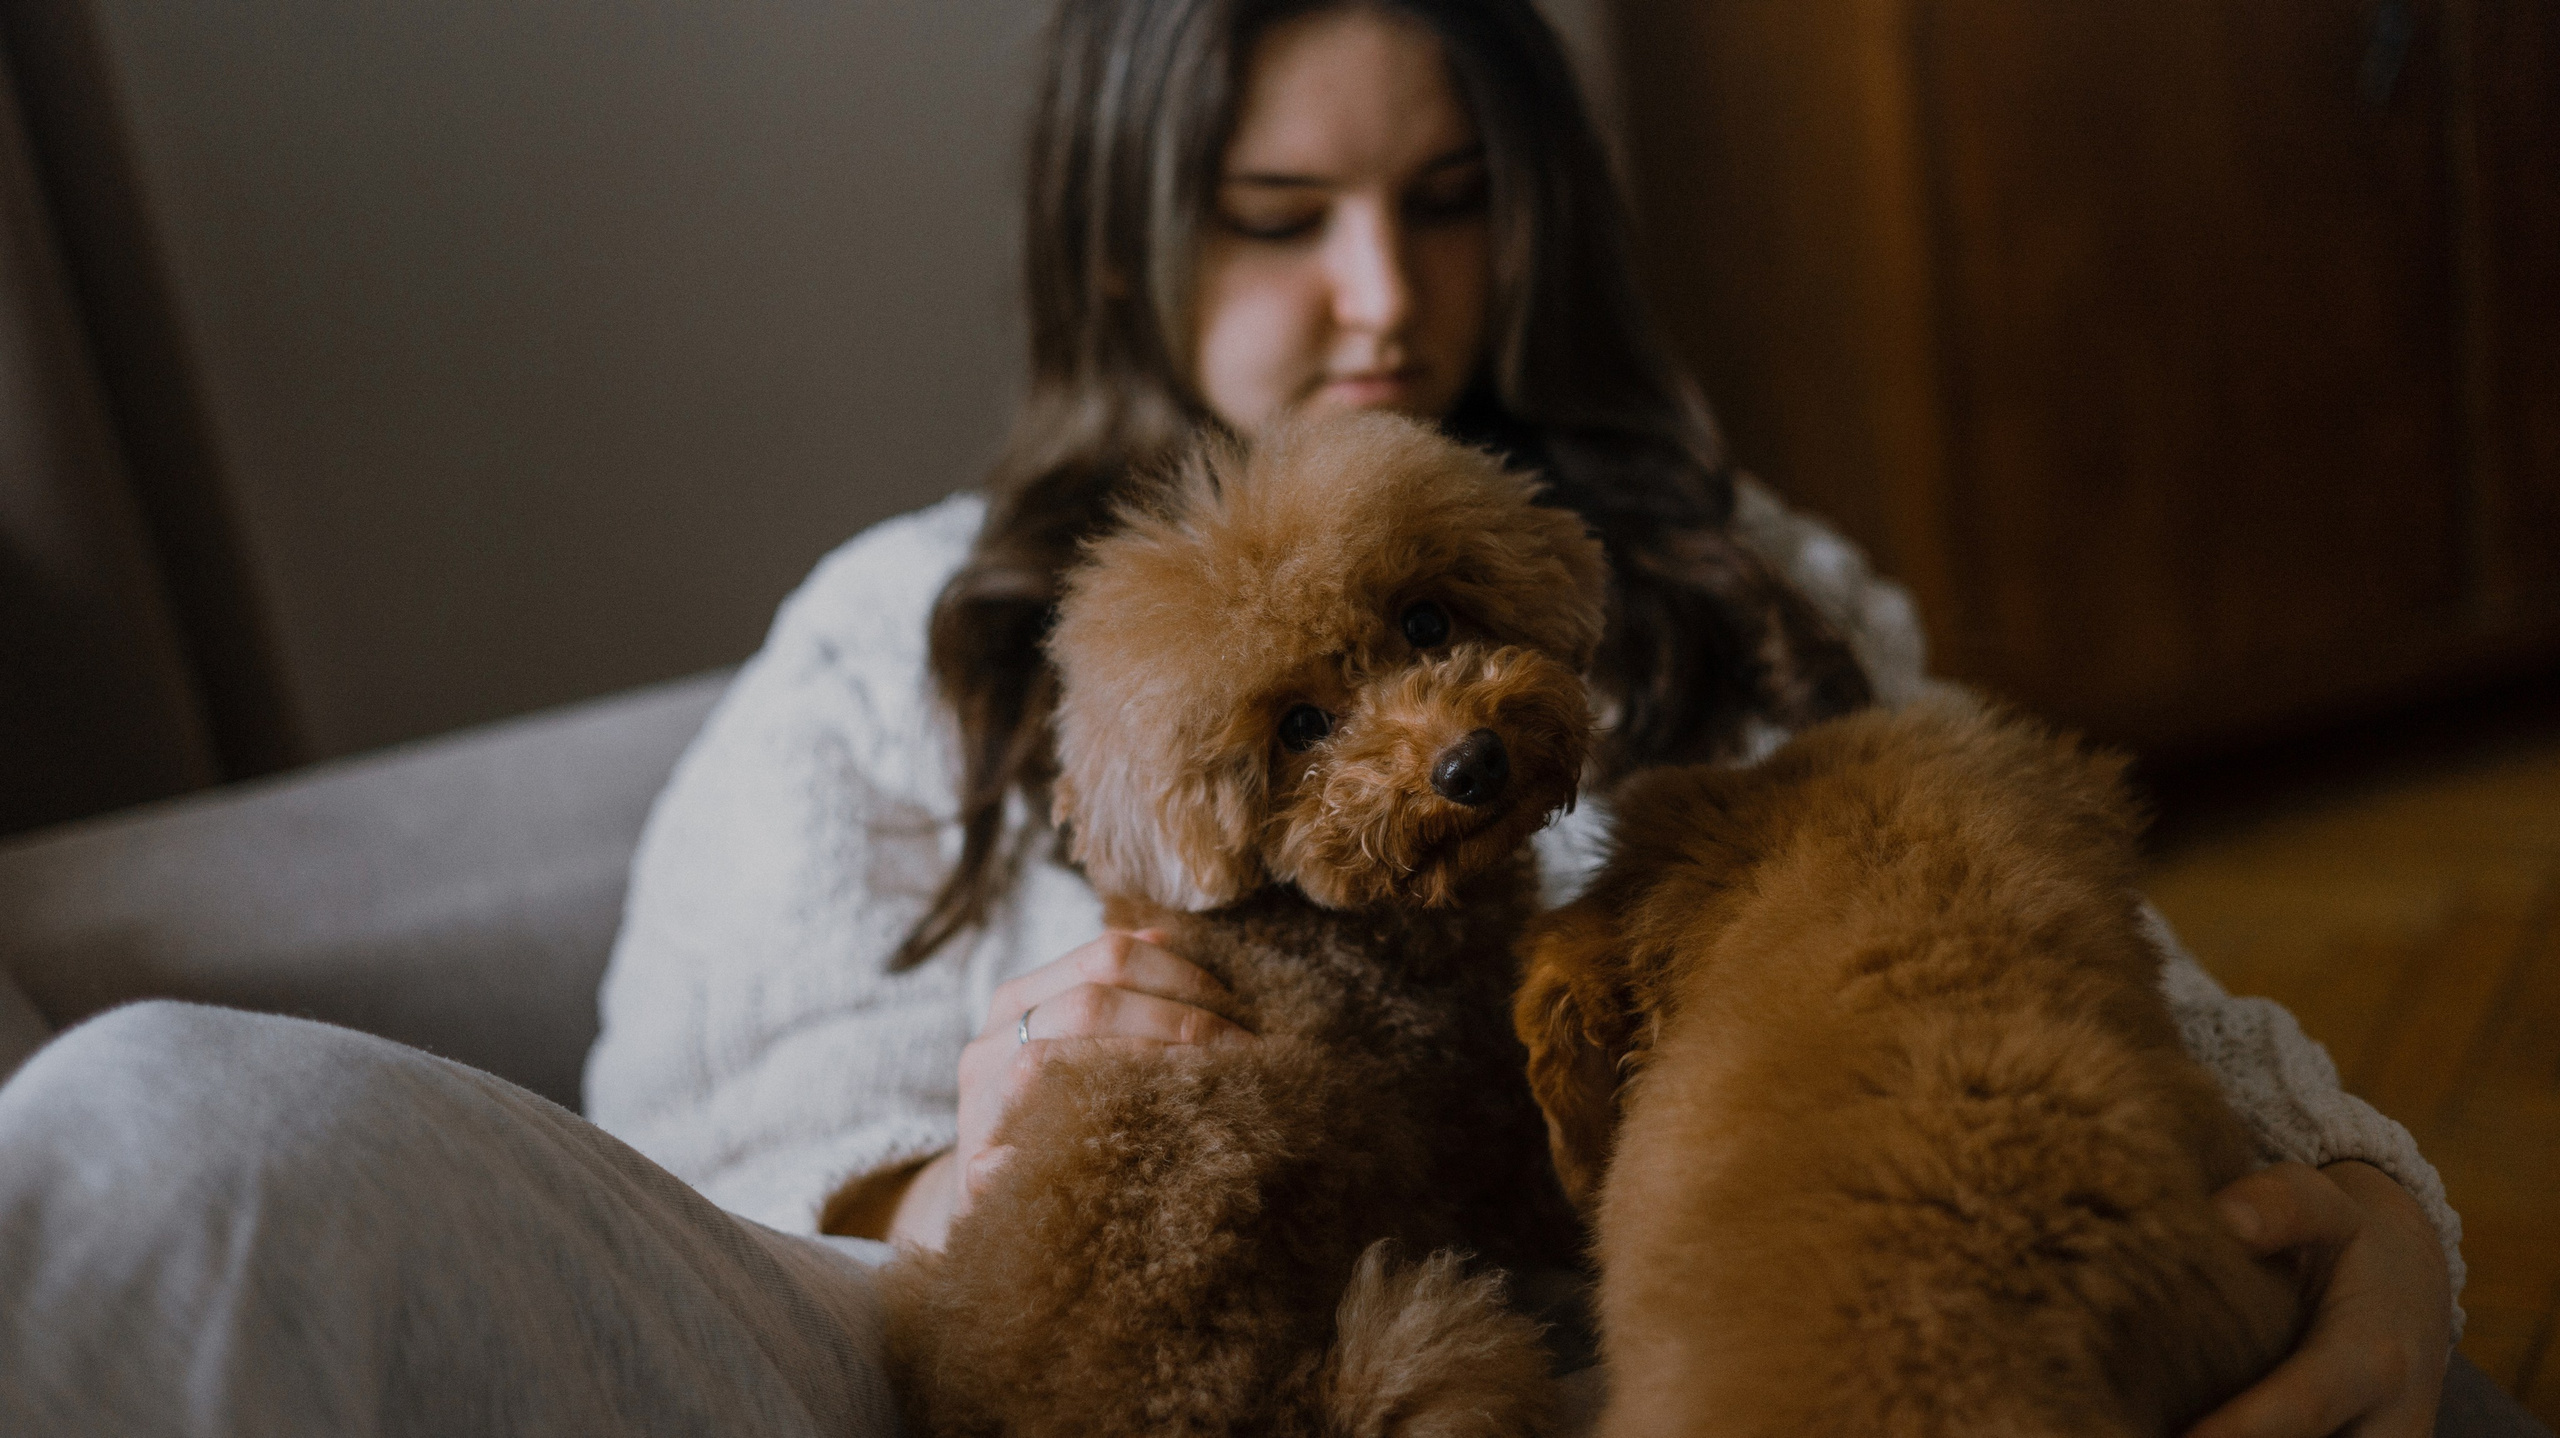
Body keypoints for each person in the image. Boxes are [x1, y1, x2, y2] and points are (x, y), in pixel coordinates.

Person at [0, 2, 2527, 1436]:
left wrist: (2381, 1216)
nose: (1379, 295)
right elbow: (669, 1147)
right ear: (1128, 223)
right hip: (922, 1357)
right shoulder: (904, 624)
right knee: (156, 1120)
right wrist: (937, 1171)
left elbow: (2050, 974)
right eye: (1278, 210)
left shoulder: (1735, 582)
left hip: (1663, 1344)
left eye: (1447, 198)